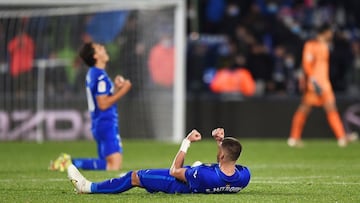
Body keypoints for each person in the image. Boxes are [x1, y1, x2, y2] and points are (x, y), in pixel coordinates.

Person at [67, 128, 251, 194]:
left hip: (178, 184)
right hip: (195, 177)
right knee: (196, 164)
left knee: (134, 177)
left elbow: (174, 171)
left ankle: (88, 188)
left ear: (222, 156)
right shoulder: (244, 176)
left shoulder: (203, 174)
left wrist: (186, 142)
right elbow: (222, 164)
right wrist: (220, 142)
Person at [49, 42, 132, 171]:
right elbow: (103, 104)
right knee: (113, 165)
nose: (104, 48)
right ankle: (70, 162)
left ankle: (70, 162)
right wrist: (124, 90)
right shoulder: (99, 76)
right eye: (99, 48)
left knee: (108, 163)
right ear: (95, 56)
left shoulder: (94, 73)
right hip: (106, 123)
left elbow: (104, 98)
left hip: (100, 123)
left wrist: (116, 88)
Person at [288, 24, 357, 147]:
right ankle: (294, 138)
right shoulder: (311, 45)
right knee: (305, 109)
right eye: (330, 32)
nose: (331, 34)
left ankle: (341, 138)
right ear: (324, 32)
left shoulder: (325, 46)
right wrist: (313, 81)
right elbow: (307, 64)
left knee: (331, 108)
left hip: (325, 83)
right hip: (315, 84)